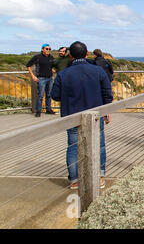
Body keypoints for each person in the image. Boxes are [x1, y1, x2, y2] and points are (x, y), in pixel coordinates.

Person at [51, 41, 113, 190]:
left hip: (71, 116)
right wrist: (107, 110)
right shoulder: (98, 71)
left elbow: (55, 95)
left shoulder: (63, 74)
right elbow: (107, 93)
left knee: (73, 147)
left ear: (70, 56)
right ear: (87, 54)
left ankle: (74, 180)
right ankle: (99, 177)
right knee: (100, 145)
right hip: (95, 114)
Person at [26, 43, 56, 117]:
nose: (48, 50)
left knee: (49, 95)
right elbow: (28, 65)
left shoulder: (51, 57)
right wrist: (33, 76)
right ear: (42, 49)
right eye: (47, 49)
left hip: (50, 78)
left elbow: (51, 65)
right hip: (41, 79)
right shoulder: (37, 57)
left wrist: (52, 69)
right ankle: (38, 111)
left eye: (49, 49)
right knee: (40, 96)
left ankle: (48, 109)